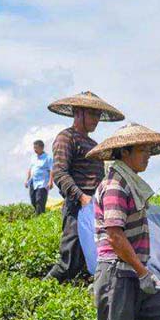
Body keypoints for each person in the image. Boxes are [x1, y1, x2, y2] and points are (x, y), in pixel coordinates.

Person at [87, 122, 160, 320]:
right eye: (143, 151)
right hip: (117, 273)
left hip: (134, 271)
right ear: (125, 153)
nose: (148, 157)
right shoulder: (115, 186)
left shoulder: (130, 184)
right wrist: (143, 273)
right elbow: (115, 237)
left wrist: (142, 272)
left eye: (149, 151)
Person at [45, 91, 125, 282]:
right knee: (69, 259)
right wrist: (81, 197)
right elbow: (60, 173)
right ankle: (42, 292)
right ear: (78, 112)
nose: (96, 120)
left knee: (92, 257)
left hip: (95, 206)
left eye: (98, 115)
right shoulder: (66, 137)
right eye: (92, 114)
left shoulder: (94, 144)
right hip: (78, 205)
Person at [24, 139, 54, 215]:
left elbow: (51, 170)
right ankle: (38, 213)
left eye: (36, 148)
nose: (35, 150)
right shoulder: (33, 157)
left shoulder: (48, 158)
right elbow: (30, 169)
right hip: (33, 182)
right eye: (34, 148)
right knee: (33, 200)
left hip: (42, 183)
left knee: (40, 200)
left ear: (41, 148)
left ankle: (39, 216)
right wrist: (27, 180)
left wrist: (50, 181)